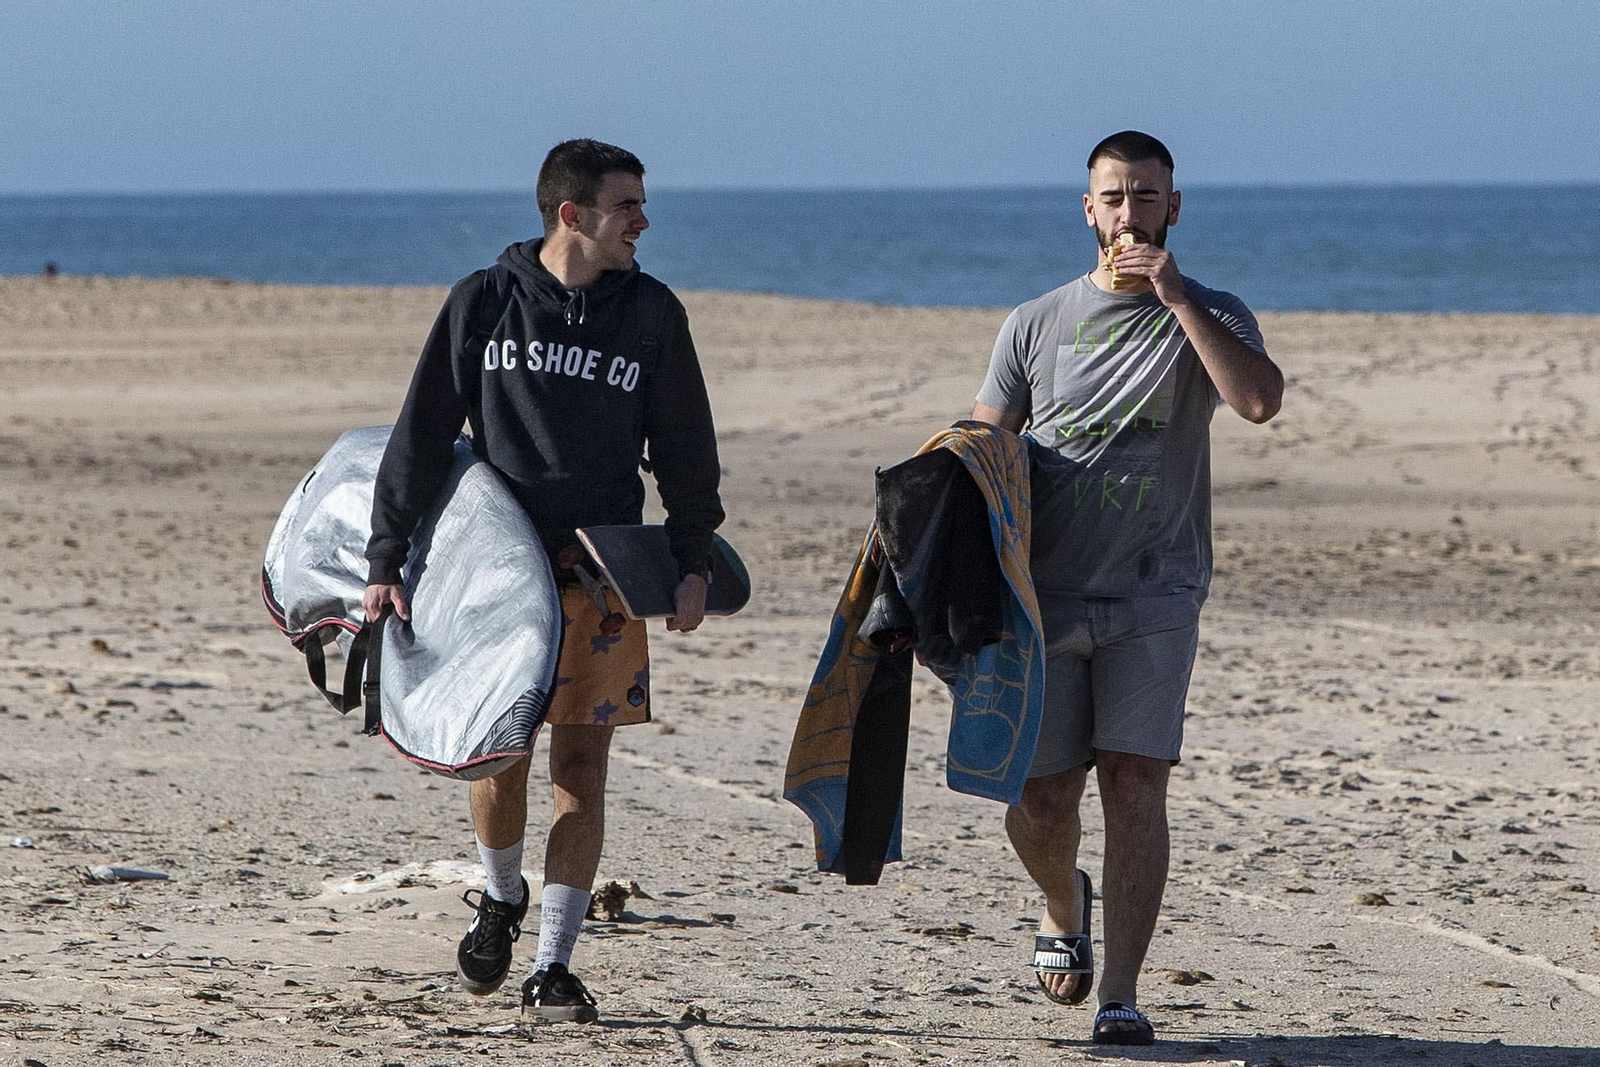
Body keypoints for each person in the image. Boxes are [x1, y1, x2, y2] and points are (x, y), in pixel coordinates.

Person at [362, 138, 724, 1023]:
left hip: (601, 578)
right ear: (572, 214)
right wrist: (384, 560)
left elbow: (686, 447)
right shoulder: (485, 303)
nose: (643, 221)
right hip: (494, 582)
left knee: (582, 770)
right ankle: (500, 894)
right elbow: (420, 437)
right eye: (627, 206)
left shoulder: (652, 314)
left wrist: (693, 560)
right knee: (499, 761)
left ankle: (553, 964)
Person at [970, 131, 1283, 1046]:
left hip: (1158, 594)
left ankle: (1120, 992)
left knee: (1137, 783)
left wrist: (1177, 297)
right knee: (1040, 803)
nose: (1129, 214)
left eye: (1146, 196)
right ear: (1088, 210)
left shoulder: (1211, 311)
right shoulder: (1035, 323)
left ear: (1173, 207)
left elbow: (1259, 402)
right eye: (1113, 197)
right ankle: (1062, 899)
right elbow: (983, 456)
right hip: (1046, 597)